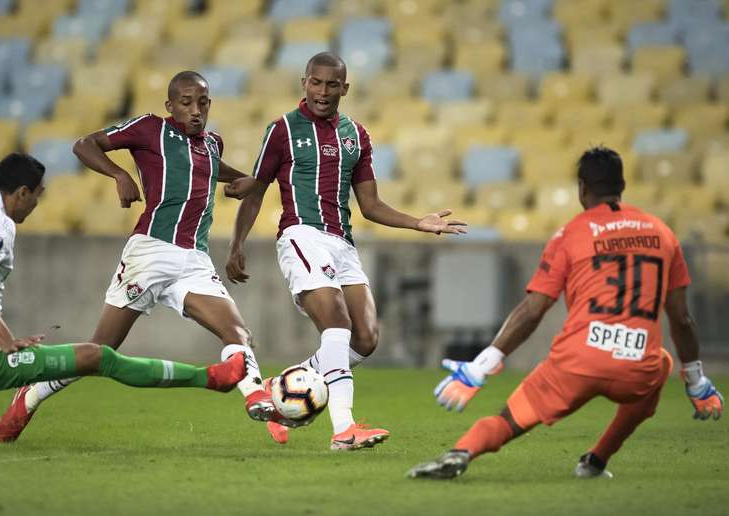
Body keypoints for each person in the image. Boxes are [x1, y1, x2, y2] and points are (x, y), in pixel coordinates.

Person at [0, 71, 282, 443]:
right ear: (170, 106)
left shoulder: (212, 144)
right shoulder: (149, 129)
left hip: (194, 261)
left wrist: (246, 191)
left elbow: (223, 175)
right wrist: (119, 174)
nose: (195, 111)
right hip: (149, 253)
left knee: (238, 331)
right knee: (100, 351)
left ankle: (260, 401)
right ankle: (30, 394)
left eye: (203, 103)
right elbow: (84, 144)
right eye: (186, 103)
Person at [407, 146, 723, 479]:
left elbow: (534, 310)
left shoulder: (571, 234)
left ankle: (462, 451)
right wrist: (695, 379)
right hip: (636, 365)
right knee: (662, 365)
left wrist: (482, 365)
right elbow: (682, 320)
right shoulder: (663, 233)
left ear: (582, 189)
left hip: (578, 361)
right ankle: (596, 462)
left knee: (509, 420)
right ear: (623, 184)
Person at [225, 52, 467, 450]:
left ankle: (276, 389)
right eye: (316, 82)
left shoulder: (357, 135)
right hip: (302, 235)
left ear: (345, 88)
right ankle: (343, 431)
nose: (323, 91)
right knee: (336, 325)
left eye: (332, 84)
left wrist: (418, 222)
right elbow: (256, 189)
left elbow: (370, 205)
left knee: (366, 338)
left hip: (342, 243)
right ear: (304, 82)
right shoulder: (283, 129)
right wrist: (237, 244)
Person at [0, 154, 249, 439]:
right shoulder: (1, 225)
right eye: (37, 195)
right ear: (22, 193)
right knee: (99, 356)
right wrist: (5, 340)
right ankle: (210, 378)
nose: (36, 204)